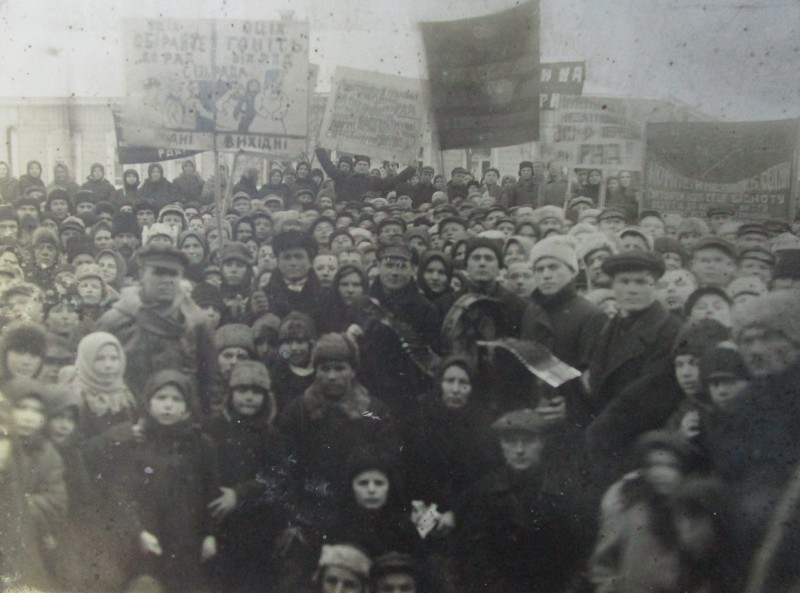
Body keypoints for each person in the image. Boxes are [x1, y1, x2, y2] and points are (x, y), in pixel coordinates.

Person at [277, 332, 398, 532]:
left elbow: (390, 466)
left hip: (364, 515)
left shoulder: (375, 411)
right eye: (325, 369)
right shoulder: (296, 412)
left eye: (340, 368)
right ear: (315, 371)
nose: (332, 376)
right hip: (311, 515)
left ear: (353, 371)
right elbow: (283, 469)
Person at [114, 369, 219, 593]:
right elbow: (123, 492)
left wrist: (210, 534)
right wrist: (139, 532)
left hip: (189, 542)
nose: (168, 405)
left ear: (186, 406)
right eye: (161, 398)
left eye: (176, 399)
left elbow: (211, 492)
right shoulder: (139, 442)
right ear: (149, 403)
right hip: (150, 541)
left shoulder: (201, 444)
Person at [585, 250, 683, 488]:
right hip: (606, 436)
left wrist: (595, 432)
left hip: (639, 444)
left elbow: (646, 396)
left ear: (655, 286)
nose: (632, 289)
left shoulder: (670, 330)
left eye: (640, 282)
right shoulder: (613, 325)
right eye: (624, 281)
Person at [454, 409, 580, 593]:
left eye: (528, 441)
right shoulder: (482, 494)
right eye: (511, 441)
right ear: (501, 445)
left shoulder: (566, 491)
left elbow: (579, 556)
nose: (519, 450)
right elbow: (473, 559)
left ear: (542, 443)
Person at [95, 243, 218, 414]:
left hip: (181, 422)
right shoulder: (116, 321)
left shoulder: (196, 323)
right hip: (128, 419)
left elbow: (212, 383)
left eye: (173, 274)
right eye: (158, 272)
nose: (166, 280)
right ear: (142, 275)